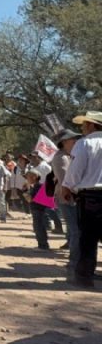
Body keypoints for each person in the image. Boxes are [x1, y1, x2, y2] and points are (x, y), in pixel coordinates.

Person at [61, 111, 102, 289]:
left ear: (92, 125)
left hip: (91, 197)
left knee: (88, 239)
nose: (82, 128)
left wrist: (67, 186)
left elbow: (75, 170)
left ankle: (84, 278)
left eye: (85, 124)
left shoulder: (84, 144)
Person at [51, 128, 82, 273]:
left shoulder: (68, 156)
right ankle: (74, 263)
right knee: (76, 231)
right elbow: (65, 182)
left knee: (75, 231)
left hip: (69, 197)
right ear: (64, 142)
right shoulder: (61, 158)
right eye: (73, 140)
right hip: (67, 198)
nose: (75, 142)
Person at [23, 169, 50, 250]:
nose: (27, 179)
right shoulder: (35, 186)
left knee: (39, 228)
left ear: (34, 177)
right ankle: (41, 245)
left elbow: (30, 199)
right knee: (38, 227)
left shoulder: (38, 186)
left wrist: (25, 191)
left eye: (28, 177)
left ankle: (43, 246)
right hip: (37, 210)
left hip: (39, 210)